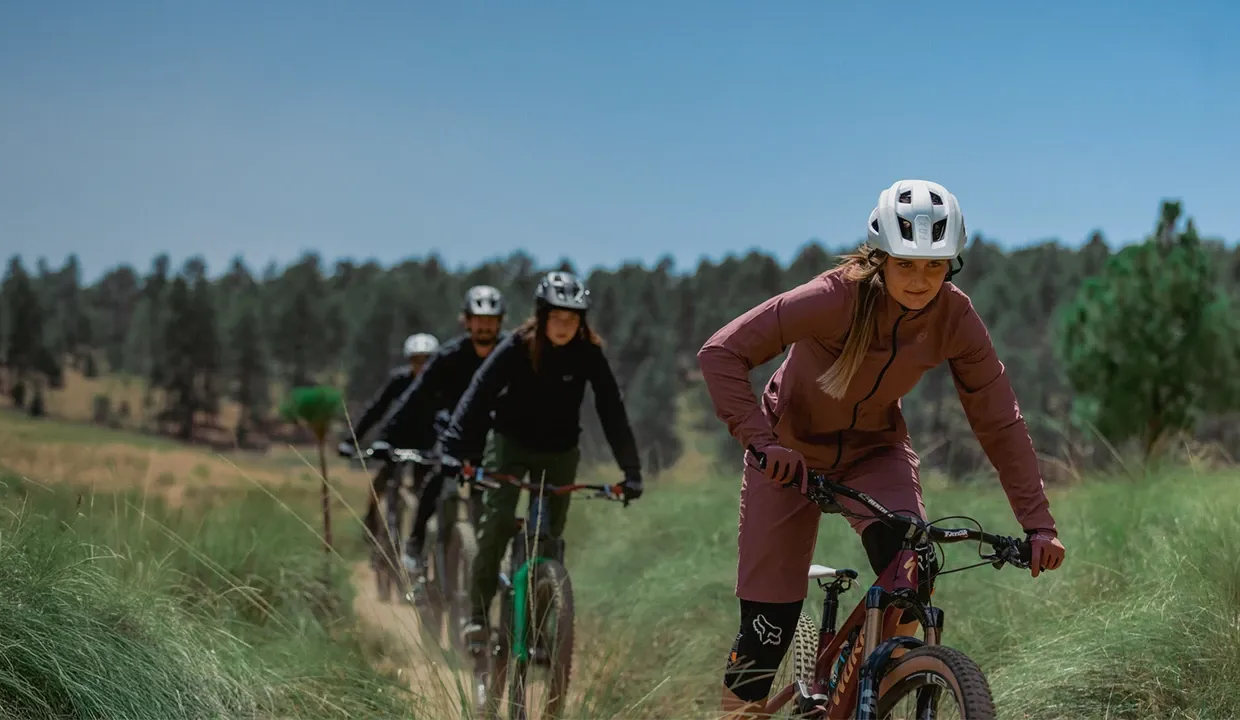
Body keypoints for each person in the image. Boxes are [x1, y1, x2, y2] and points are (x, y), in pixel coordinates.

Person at [696, 179, 1069, 717]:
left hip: (875, 451)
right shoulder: (832, 297)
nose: (921, 280)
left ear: (952, 265)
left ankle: (870, 685)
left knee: (913, 570)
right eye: (906, 265)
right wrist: (761, 443)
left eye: (935, 266)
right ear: (881, 258)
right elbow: (721, 353)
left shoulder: (955, 318)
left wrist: (1038, 524)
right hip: (787, 458)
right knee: (765, 635)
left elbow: (999, 421)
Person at [434, 271, 644, 651]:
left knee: (549, 538)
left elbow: (612, 411)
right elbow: (478, 394)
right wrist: (452, 449)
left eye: (573, 318)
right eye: (557, 317)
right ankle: (478, 615)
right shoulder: (516, 346)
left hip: (560, 452)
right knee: (497, 522)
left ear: (582, 321)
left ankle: (537, 630)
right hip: (510, 445)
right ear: (542, 315)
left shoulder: (588, 355)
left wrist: (631, 471)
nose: (564, 326)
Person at [376, 285, 509, 573]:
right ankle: (416, 540)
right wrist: (385, 437)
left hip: (492, 437)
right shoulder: (449, 356)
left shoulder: (511, 352)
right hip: (454, 435)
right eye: (479, 319)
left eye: (491, 320)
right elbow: (414, 396)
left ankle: (492, 564)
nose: (485, 326)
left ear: (500, 322)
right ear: (467, 321)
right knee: (437, 480)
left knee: (495, 499)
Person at [338, 332, 441, 557]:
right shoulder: (399, 381)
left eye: (427, 360)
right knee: (381, 482)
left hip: (428, 445)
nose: (421, 366)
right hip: (396, 441)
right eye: (416, 360)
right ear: (409, 361)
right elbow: (375, 410)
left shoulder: (440, 384)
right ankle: (372, 522)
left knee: (426, 491)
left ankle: (420, 545)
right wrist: (351, 440)